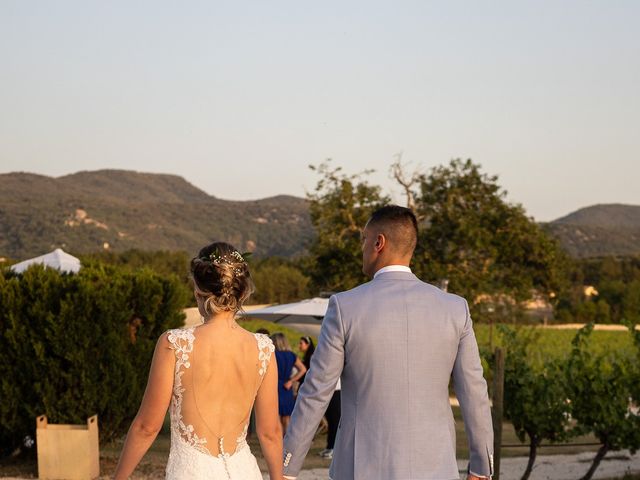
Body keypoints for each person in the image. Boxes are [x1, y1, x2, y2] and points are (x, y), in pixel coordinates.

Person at [283, 205, 494, 480]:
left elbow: (316, 390)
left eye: (363, 239)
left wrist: (287, 467)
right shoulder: (455, 308)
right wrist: (482, 465)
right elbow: (474, 392)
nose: (362, 248)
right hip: (436, 469)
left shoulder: (344, 306)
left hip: (361, 470)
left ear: (378, 242)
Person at [113, 242, 284, 480]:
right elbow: (270, 432)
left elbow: (147, 427)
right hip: (244, 471)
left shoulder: (174, 343)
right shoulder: (263, 348)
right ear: (242, 293)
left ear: (198, 290)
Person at [271, 333, 307, 434]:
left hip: (275, 387)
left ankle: (278, 443)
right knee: (286, 418)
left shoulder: (273, 355)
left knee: (276, 418)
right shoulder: (291, 355)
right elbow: (303, 369)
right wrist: (291, 381)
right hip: (287, 387)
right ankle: (286, 443)